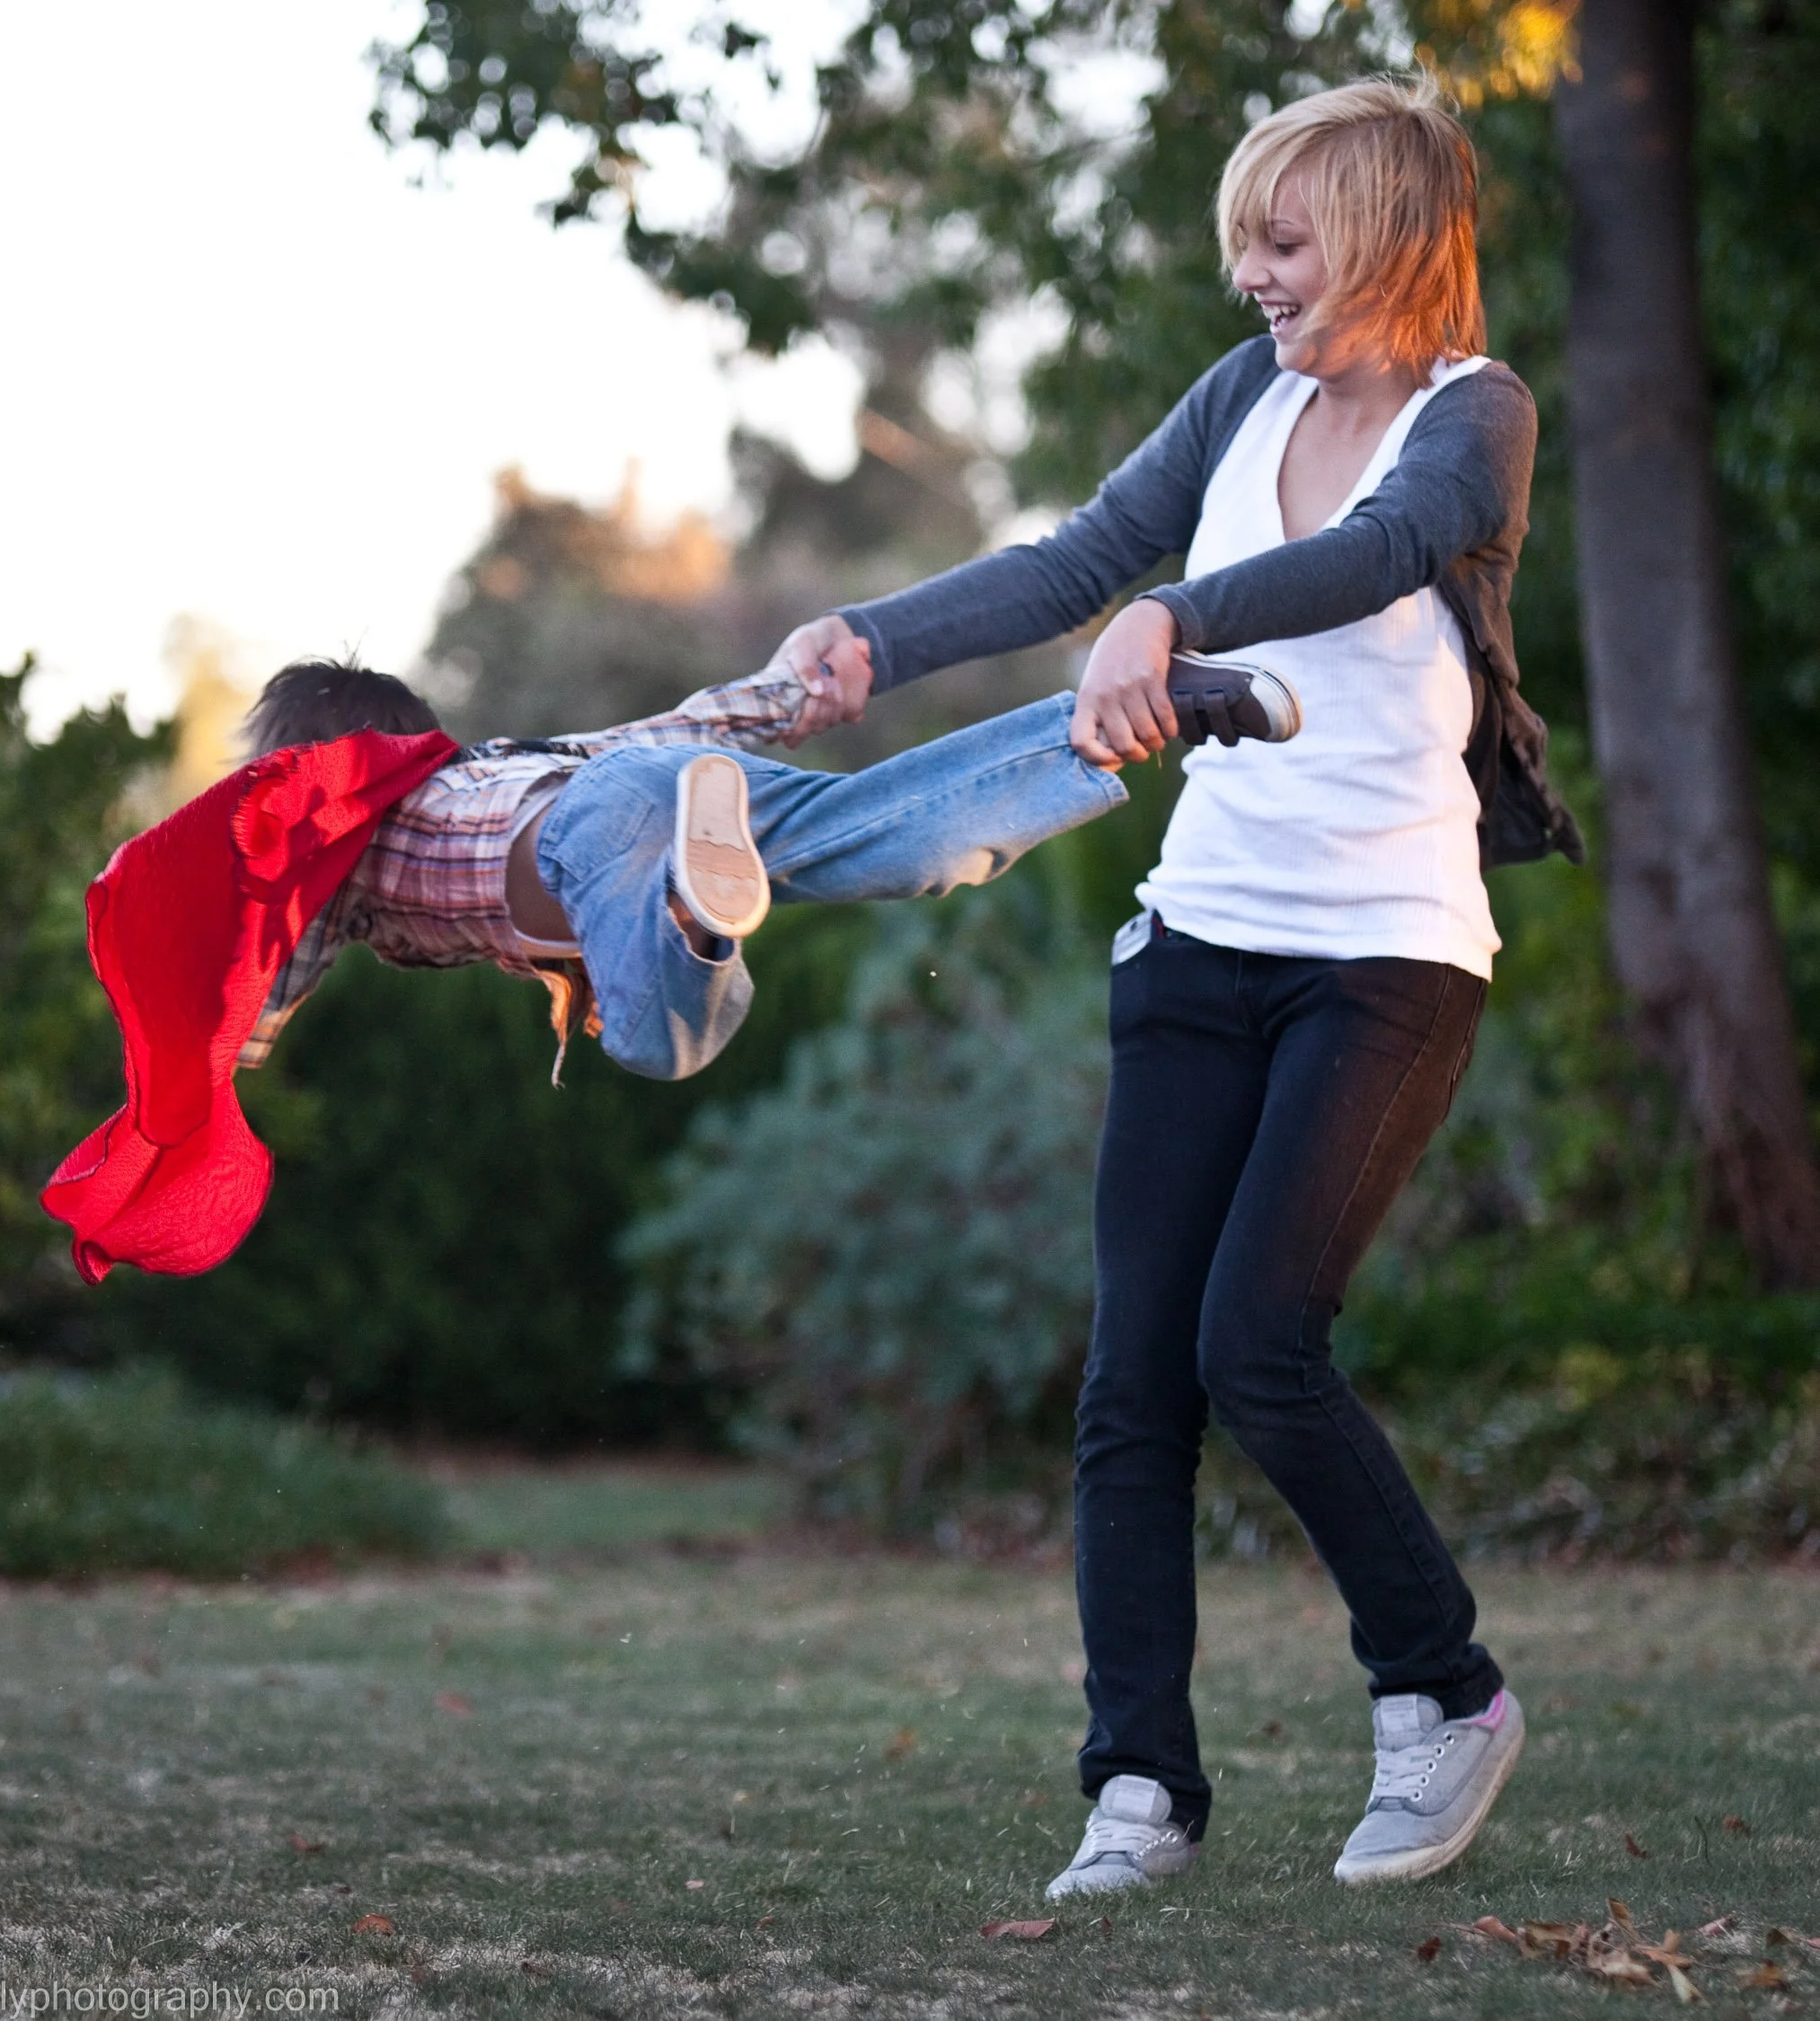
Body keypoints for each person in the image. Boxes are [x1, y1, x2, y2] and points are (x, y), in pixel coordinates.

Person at [767, 75, 1582, 1892]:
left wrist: (1180, 617)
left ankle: (1442, 1697)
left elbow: (1377, 555)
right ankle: (1138, 1787)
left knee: (1256, 1345)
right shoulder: (1243, 397)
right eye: (1243, 244)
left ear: (1379, 228)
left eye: (1283, 239)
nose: (1253, 278)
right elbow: (1075, 559)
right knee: (1134, 1376)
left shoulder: (1476, 417)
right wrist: (868, 644)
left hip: (1384, 957)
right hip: (1203, 932)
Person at [41, 649, 1297, 1285]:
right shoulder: (480, 757)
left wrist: (199, 1039)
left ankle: (699, 915)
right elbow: (684, 726)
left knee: (664, 1039)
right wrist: (795, 694)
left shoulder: (323, 838)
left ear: (296, 764)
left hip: (585, 846)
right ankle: (1139, 708)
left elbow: (256, 973)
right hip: (637, 786)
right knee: (898, 838)